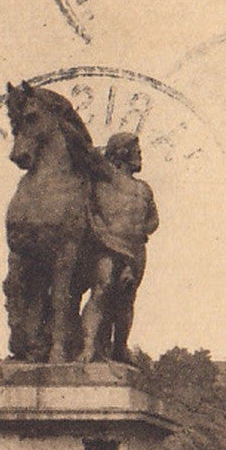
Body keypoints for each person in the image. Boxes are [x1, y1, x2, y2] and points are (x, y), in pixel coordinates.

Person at [80, 133, 160, 363]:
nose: (140, 156)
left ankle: (120, 348)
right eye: (136, 151)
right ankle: (87, 346)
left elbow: (154, 220)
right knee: (102, 289)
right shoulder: (106, 179)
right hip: (109, 244)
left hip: (135, 250)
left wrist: (141, 230)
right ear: (122, 152)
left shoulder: (144, 189)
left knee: (126, 299)